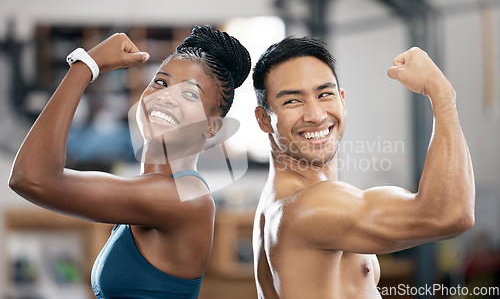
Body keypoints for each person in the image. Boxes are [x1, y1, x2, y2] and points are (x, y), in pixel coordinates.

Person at [9, 25, 251, 299]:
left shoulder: (182, 198)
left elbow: (31, 178)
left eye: (190, 94)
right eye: (161, 82)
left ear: (212, 128)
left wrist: (86, 65)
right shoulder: (152, 189)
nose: (166, 97)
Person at [251, 36, 475, 299]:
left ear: (343, 101)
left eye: (324, 95)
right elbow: (450, 214)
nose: (316, 115)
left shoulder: (281, 202)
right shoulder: (307, 207)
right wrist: (442, 93)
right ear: (264, 119)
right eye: (293, 101)